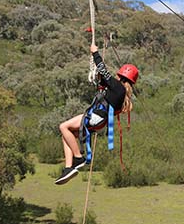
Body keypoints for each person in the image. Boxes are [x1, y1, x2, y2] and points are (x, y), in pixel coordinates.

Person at [55, 44, 138, 185]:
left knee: (63, 126)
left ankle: (78, 157)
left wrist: (95, 52)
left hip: (95, 117)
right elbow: (104, 81)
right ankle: (69, 168)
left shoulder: (118, 87)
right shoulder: (121, 93)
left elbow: (104, 71)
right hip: (99, 121)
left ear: (121, 76)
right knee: (68, 135)